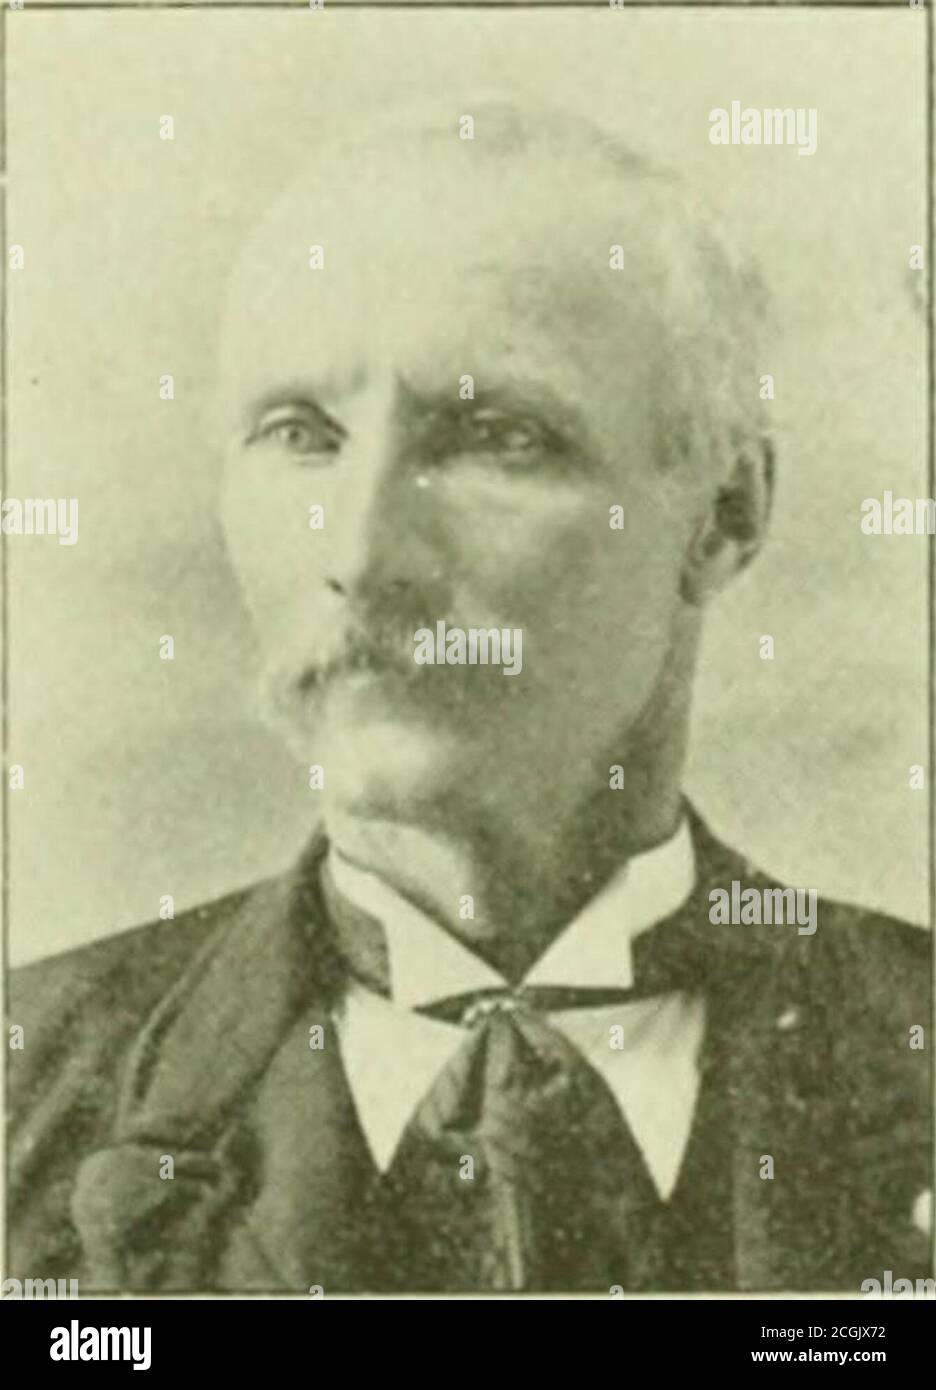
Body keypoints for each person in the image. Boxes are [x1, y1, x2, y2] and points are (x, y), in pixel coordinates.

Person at [9, 102, 930, 1293]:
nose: (361, 553)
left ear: (725, 513)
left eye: (497, 436)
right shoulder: (27, 1094)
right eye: (301, 435)